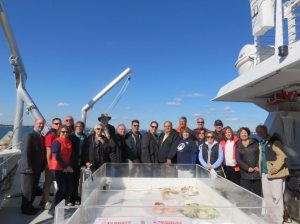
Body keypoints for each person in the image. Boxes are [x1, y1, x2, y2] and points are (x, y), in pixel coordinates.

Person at [256, 125, 289, 223]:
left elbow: (282, 155)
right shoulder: (261, 143)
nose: (259, 134)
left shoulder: (274, 141)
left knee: (277, 197)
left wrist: (276, 168)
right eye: (258, 132)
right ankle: (271, 218)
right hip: (265, 174)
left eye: (261, 131)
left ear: (266, 131)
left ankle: (279, 220)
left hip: (275, 174)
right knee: (267, 197)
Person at [18, 118, 46, 215]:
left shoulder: (40, 136)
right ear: (35, 123)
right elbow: (25, 152)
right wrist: (27, 166)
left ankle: (29, 207)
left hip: (36, 168)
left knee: (33, 189)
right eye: (39, 123)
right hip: (28, 168)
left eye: (43, 124)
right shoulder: (29, 135)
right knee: (27, 190)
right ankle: (26, 209)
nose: (41, 125)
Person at [48, 125, 74, 216]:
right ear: (59, 132)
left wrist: (69, 166)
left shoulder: (69, 141)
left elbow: (69, 156)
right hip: (57, 168)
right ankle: (52, 209)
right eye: (63, 132)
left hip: (66, 168)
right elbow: (56, 156)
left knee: (69, 187)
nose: (65, 133)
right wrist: (66, 166)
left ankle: (61, 205)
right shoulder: (57, 141)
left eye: (66, 132)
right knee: (61, 188)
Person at [40, 117, 62, 210]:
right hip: (51, 163)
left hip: (57, 163)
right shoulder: (50, 135)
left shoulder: (58, 135)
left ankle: (44, 200)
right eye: (56, 123)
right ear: (52, 124)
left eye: (59, 124)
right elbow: (48, 151)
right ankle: (46, 202)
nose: (58, 125)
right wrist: (49, 164)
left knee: (53, 182)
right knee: (48, 182)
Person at [236, 127, 261, 196]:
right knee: (246, 194)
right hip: (245, 174)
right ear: (239, 134)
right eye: (242, 133)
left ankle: (258, 206)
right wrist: (247, 168)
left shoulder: (255, 142)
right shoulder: (238, 144)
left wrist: (258, 166)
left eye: (245, 133)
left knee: (257, 194)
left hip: (256, 173)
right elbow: (238, 159)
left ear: (248, 133)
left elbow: (260, 155)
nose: (244, 134)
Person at [69, 121, 87, 205]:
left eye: (81, 126)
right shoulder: (71, 136)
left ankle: (75, 197)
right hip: (72, 161)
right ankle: (71, 199)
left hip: (80, 162)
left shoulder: (85, 137)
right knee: (71, 181)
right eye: (77, 126)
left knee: (77, 181)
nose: (79, 127)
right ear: (75, 127)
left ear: (83, 128)